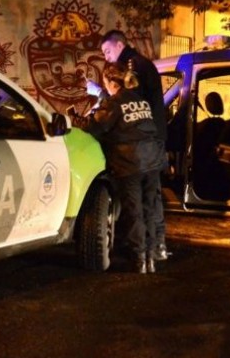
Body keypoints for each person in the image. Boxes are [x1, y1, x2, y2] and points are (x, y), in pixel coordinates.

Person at [71, 64, 166, 273]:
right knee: (149, 210)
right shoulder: (141, 100)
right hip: (153, 161)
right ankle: (151, 258)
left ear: (112, 83)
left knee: (134, 213)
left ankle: (139, 259)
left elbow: (95, 127)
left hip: (130, 163)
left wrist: (76, 120)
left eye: (106, 83)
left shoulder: (114, 103)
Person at [87, 29, 169, 263]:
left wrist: (102, 95)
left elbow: (126, 104)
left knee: (138, 204)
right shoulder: (141, 62)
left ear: (119, 45)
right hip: (151, 141)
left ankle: (141, 252)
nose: (106, 56)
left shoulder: (132, 66)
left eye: (107, 51)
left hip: (138, 146)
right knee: (151, 199)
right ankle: (156, 249)